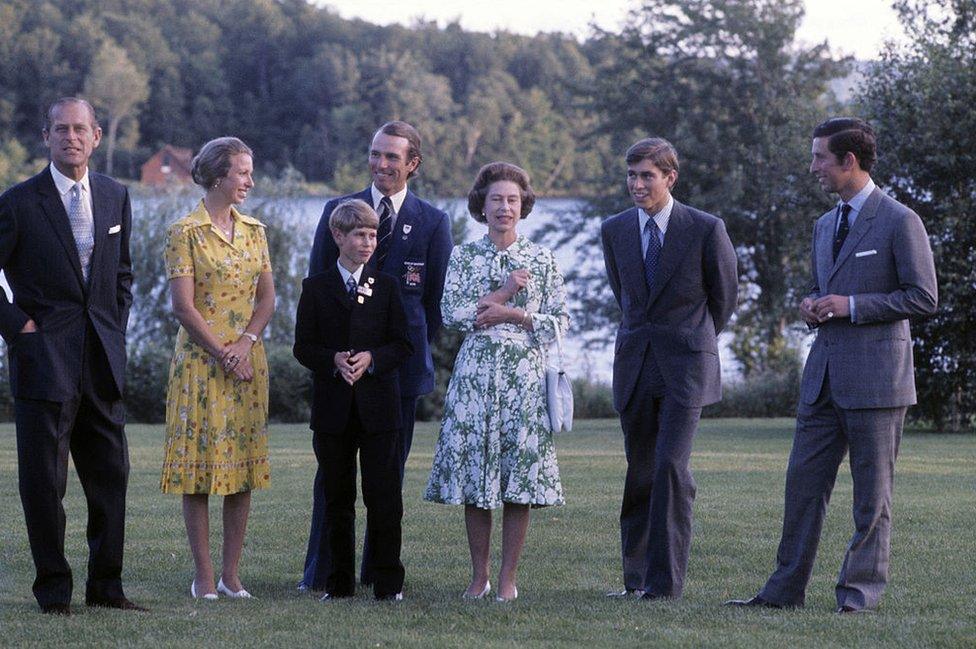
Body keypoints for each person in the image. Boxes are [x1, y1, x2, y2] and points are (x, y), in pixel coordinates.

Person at [726, 118, 937, 613]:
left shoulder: (900, 220)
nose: (813, 166)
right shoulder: (825, 224)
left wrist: (852, 306)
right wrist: (814, 305)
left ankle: (858, 596)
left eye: (820, 157)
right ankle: (782, 593)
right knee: (801, 490)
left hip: (877, 383)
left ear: (849, 161)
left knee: (872, 500)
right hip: (821, 380)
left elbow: (923, 297)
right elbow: (829, 291)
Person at [0, 98, 143, 615]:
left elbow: (123, 276)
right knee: (45, 484)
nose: (71, 137)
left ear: (98, 136)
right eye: (60, 129)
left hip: (103, 360)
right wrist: (21, 328)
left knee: (112, 477)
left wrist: (115, 329)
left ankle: (107, 588)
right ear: (46, 136)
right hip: (43, 360)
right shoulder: (18, 202)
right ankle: (54, 592)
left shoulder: (114, 195)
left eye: (80, 129)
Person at [301, 120, 452, 589]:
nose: (382, 164)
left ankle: (379, 575)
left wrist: (388, 356)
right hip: (339, 377)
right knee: (333, 482)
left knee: (386, 483)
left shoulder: (432, 222)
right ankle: (324, 573)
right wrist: (337, 358)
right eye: (375, 154)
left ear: (413, 164)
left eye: (392, 157)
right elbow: (319, 289)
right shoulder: (337, 211)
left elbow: (433, 306)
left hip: (397, 376)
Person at [601, 137, 737, 600]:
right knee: (640, 472)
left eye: (647, 176)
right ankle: (635, 580)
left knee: (671, 468)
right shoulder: (615, 229)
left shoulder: (705, 228)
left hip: (686, 369)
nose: (637, 185)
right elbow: (627, 298)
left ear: (670, 178)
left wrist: (692, 339)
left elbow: (723, 300)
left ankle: (665, 584)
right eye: (631, 175)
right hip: (636, 366)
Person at [424, 162, 567, 602]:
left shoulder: (542, 258)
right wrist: (504, 293)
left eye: (512, 200)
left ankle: (508, 578)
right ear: (481, 206)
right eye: (496, 200)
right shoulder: (464, 256)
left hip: (524, 377)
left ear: (523, 206)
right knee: (476, 478)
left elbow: (560, 322)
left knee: (518, 479)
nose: (504, 207)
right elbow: (452, 314)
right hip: (476, 375)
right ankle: (478, 575)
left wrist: (514, 314)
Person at [160, 137, 275, 601]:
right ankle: (203, 575)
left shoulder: (255, 231)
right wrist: (223, 353)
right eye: (241, 172)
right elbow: (183, 308)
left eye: (249, 172)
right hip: (200, 366)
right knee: (200, 471)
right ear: (216, 177)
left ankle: (231, 574)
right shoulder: (184, 231)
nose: (248, 180)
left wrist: (244, 345)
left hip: (248, 363)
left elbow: (267, 299)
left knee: (242, 470)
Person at [294, 199, 412, 601]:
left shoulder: (388, 287)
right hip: (333, 412)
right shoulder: (315, 288)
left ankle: (387, 583)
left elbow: (404, 344)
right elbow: (302, 347)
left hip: (380, 410)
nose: (367, 242)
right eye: (360, 234)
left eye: (373, 235)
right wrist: (333, 359)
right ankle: (338, 583)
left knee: (384, 498)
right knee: (337, 498)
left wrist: (372, 358)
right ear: (338, 236)